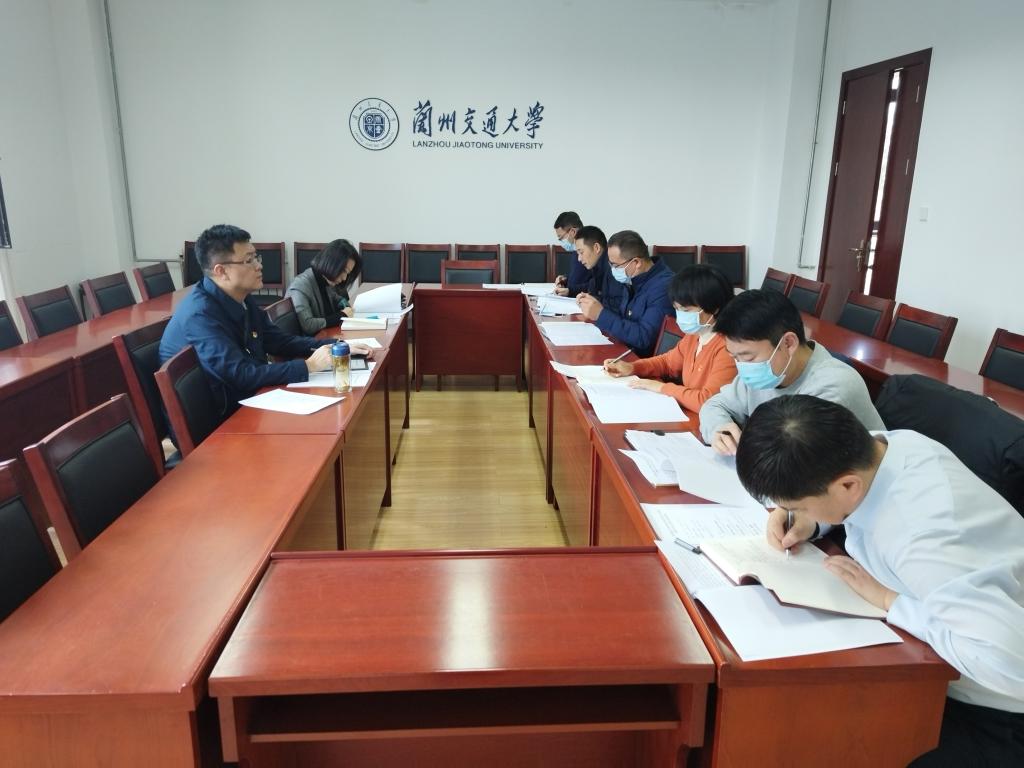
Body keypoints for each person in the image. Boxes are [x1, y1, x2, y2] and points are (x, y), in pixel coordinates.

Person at [735, 395, 1024, 767]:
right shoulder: (886, 446)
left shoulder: (923, 542)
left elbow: (1009, 664)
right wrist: (814, 519)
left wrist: (892, 602)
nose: (790, 512)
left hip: (999, 707)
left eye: (797, 506)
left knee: (827, 731)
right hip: (962, 629)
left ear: (847, 486)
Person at [160, 224, 371, 419]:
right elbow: (240, 374)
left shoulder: (241, 299)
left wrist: (337, 346)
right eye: (249, 260)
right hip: (220, 421)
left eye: (256, 257)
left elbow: (279, 341)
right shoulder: (200, 315)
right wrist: (308, 365)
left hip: (246, 400)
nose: (259, 265)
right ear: (221, 271)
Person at [698, 289, 884, 454]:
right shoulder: (763, 372)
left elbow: (794, 460)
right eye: (735, 357)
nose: (742, 366)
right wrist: (718, 429)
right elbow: (715, 405)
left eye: (748, 357)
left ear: (788, 343)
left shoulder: (834, 387)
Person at [604, 264, 736, 412]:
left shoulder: (729, 347)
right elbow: (667, 363)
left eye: (686, 310)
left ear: (714, 307)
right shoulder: (696, 334)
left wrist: (661, 387)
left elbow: (706, 402)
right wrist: (633, 367)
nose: (681, 315)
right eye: (677, 309)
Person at [576, 229, 673, 358]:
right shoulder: (634, 278)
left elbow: (644, 338)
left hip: (642, 361)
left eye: (615, 265)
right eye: (610, 264)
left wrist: (601, 314)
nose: (612, 270)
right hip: (623, 350)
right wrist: (593, 305)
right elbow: (623, 319)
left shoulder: (663, 287)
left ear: (636, 263)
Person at [286, 239, 363, 334]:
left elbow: (335, 297)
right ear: (331, 263)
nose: (344, 278)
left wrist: (343, 303)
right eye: (344, 271)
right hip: (311, 341)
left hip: (325, 336)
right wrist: (341, 315)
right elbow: (308, 325)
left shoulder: (324, 279)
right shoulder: (300, 286)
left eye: (347, 273)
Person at [551, 211, 595, 297]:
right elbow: (578, 278)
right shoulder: (575, 250)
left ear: (573, 232)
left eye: (561, 238)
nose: (580, 258)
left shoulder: (592, 251)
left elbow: (597, 284)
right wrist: (565, 279)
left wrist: (570, 291)